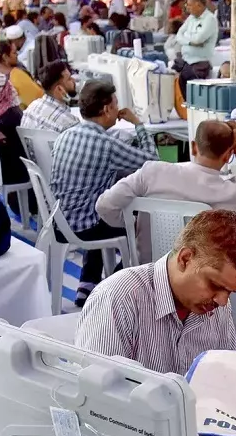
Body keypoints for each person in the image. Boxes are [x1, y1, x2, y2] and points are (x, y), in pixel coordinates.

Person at [76, 210, 236, 374]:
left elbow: (223, 379)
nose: (222, 301)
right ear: (185, 259)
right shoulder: (118, 297)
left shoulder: (217, 306)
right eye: (214, 285)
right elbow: (98, 396)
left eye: (230, 292)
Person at [51, 80, 160, 304]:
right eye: (116, 103)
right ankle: (118, 280)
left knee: (100, 202)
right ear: (107, 109)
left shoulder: (65, 135)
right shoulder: (106, 145)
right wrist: (138, 124)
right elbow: (153, 161)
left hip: (59, 222)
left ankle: (87, 283)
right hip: (87, 227)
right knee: (140, 218)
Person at [96, 119, 236, 244]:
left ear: (193, 147)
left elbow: (104, 205)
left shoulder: (152, 173)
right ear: (227, 156)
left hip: (151, 275)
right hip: (202, 285)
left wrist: (134, 225)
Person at [21, 60, 79, 133]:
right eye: (69, 79)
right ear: (59, 89)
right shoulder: (70, 124)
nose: (74, 80)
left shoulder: (30, 109)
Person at [175, 0, 217, 93]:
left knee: (187, 79)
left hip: (200, 63)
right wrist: (190, 41)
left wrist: (186, 37)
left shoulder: (210, 19)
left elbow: (198, 39)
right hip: (186, 61)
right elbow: (178, 35)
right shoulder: (191, 18)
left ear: (198, 5)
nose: (186, 7)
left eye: (189, 4)